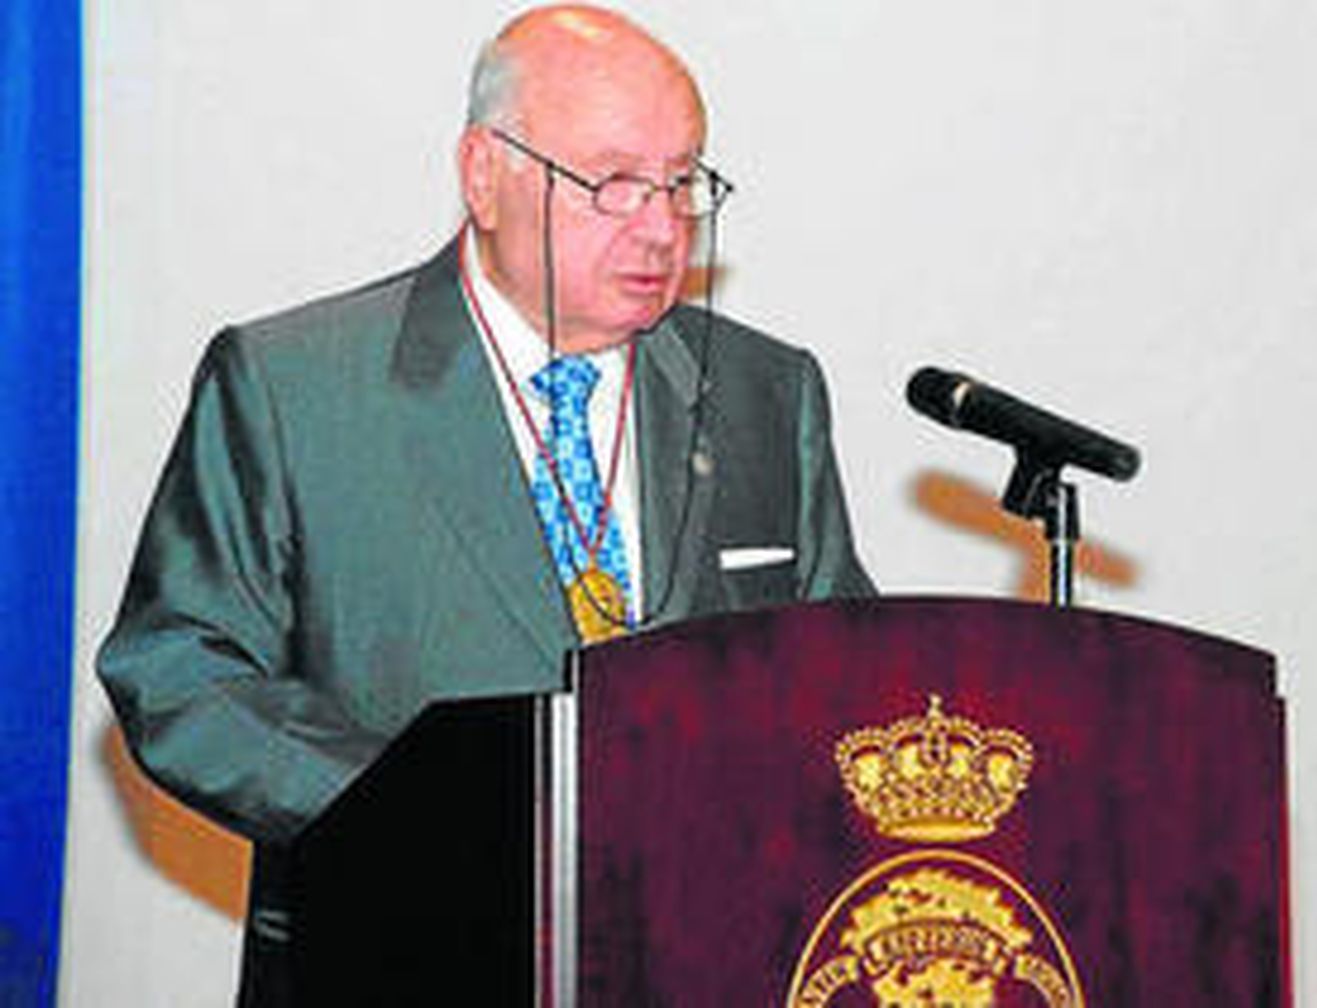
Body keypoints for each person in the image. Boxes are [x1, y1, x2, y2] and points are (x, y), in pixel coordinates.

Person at [97, 6, 872, 1004]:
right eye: (613, 182)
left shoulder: (768, 392)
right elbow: (178, 673)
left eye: (683, 181)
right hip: (396, 952)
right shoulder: (295, 385)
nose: (661, 225)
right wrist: (415, 814)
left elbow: (840, 672)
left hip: (701, 962)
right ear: (483, 173)